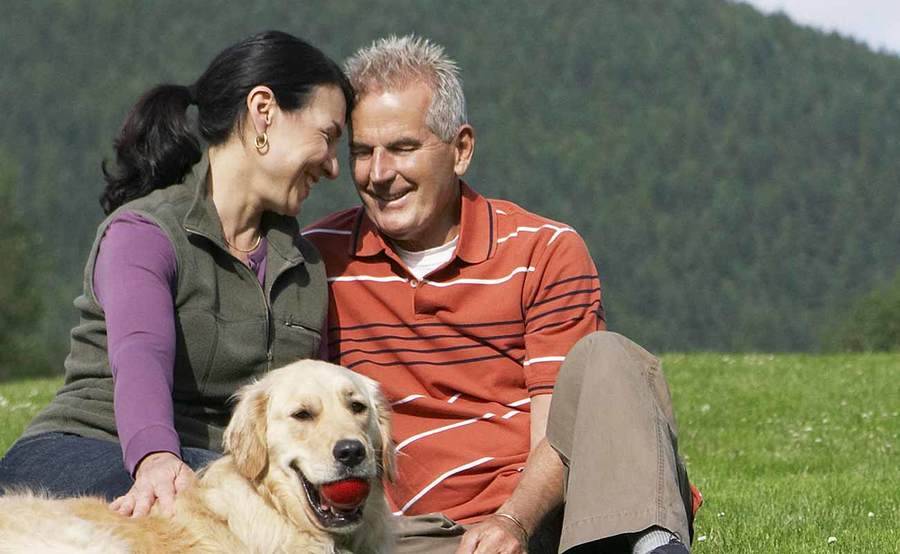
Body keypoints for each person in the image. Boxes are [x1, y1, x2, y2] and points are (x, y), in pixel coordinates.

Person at [304, 35, 699, 553]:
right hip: (414, 534)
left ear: (461, 149)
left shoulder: (544, 250)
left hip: (548, 519)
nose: (379, 175)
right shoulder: (319, 260)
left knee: (610, 357)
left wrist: (513, 522)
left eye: (403, 148)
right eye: (362, 152)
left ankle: (646, 543)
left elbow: (559, 435)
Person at [0, 30, 352, 518]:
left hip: (216, 468)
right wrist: (156, 458)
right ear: (264, 110)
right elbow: (140, 353)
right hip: (85, 450)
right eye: (328, 137)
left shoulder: (306, 267)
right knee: (235, 508)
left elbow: (323, 393)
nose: (335, 167)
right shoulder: (145, 233)